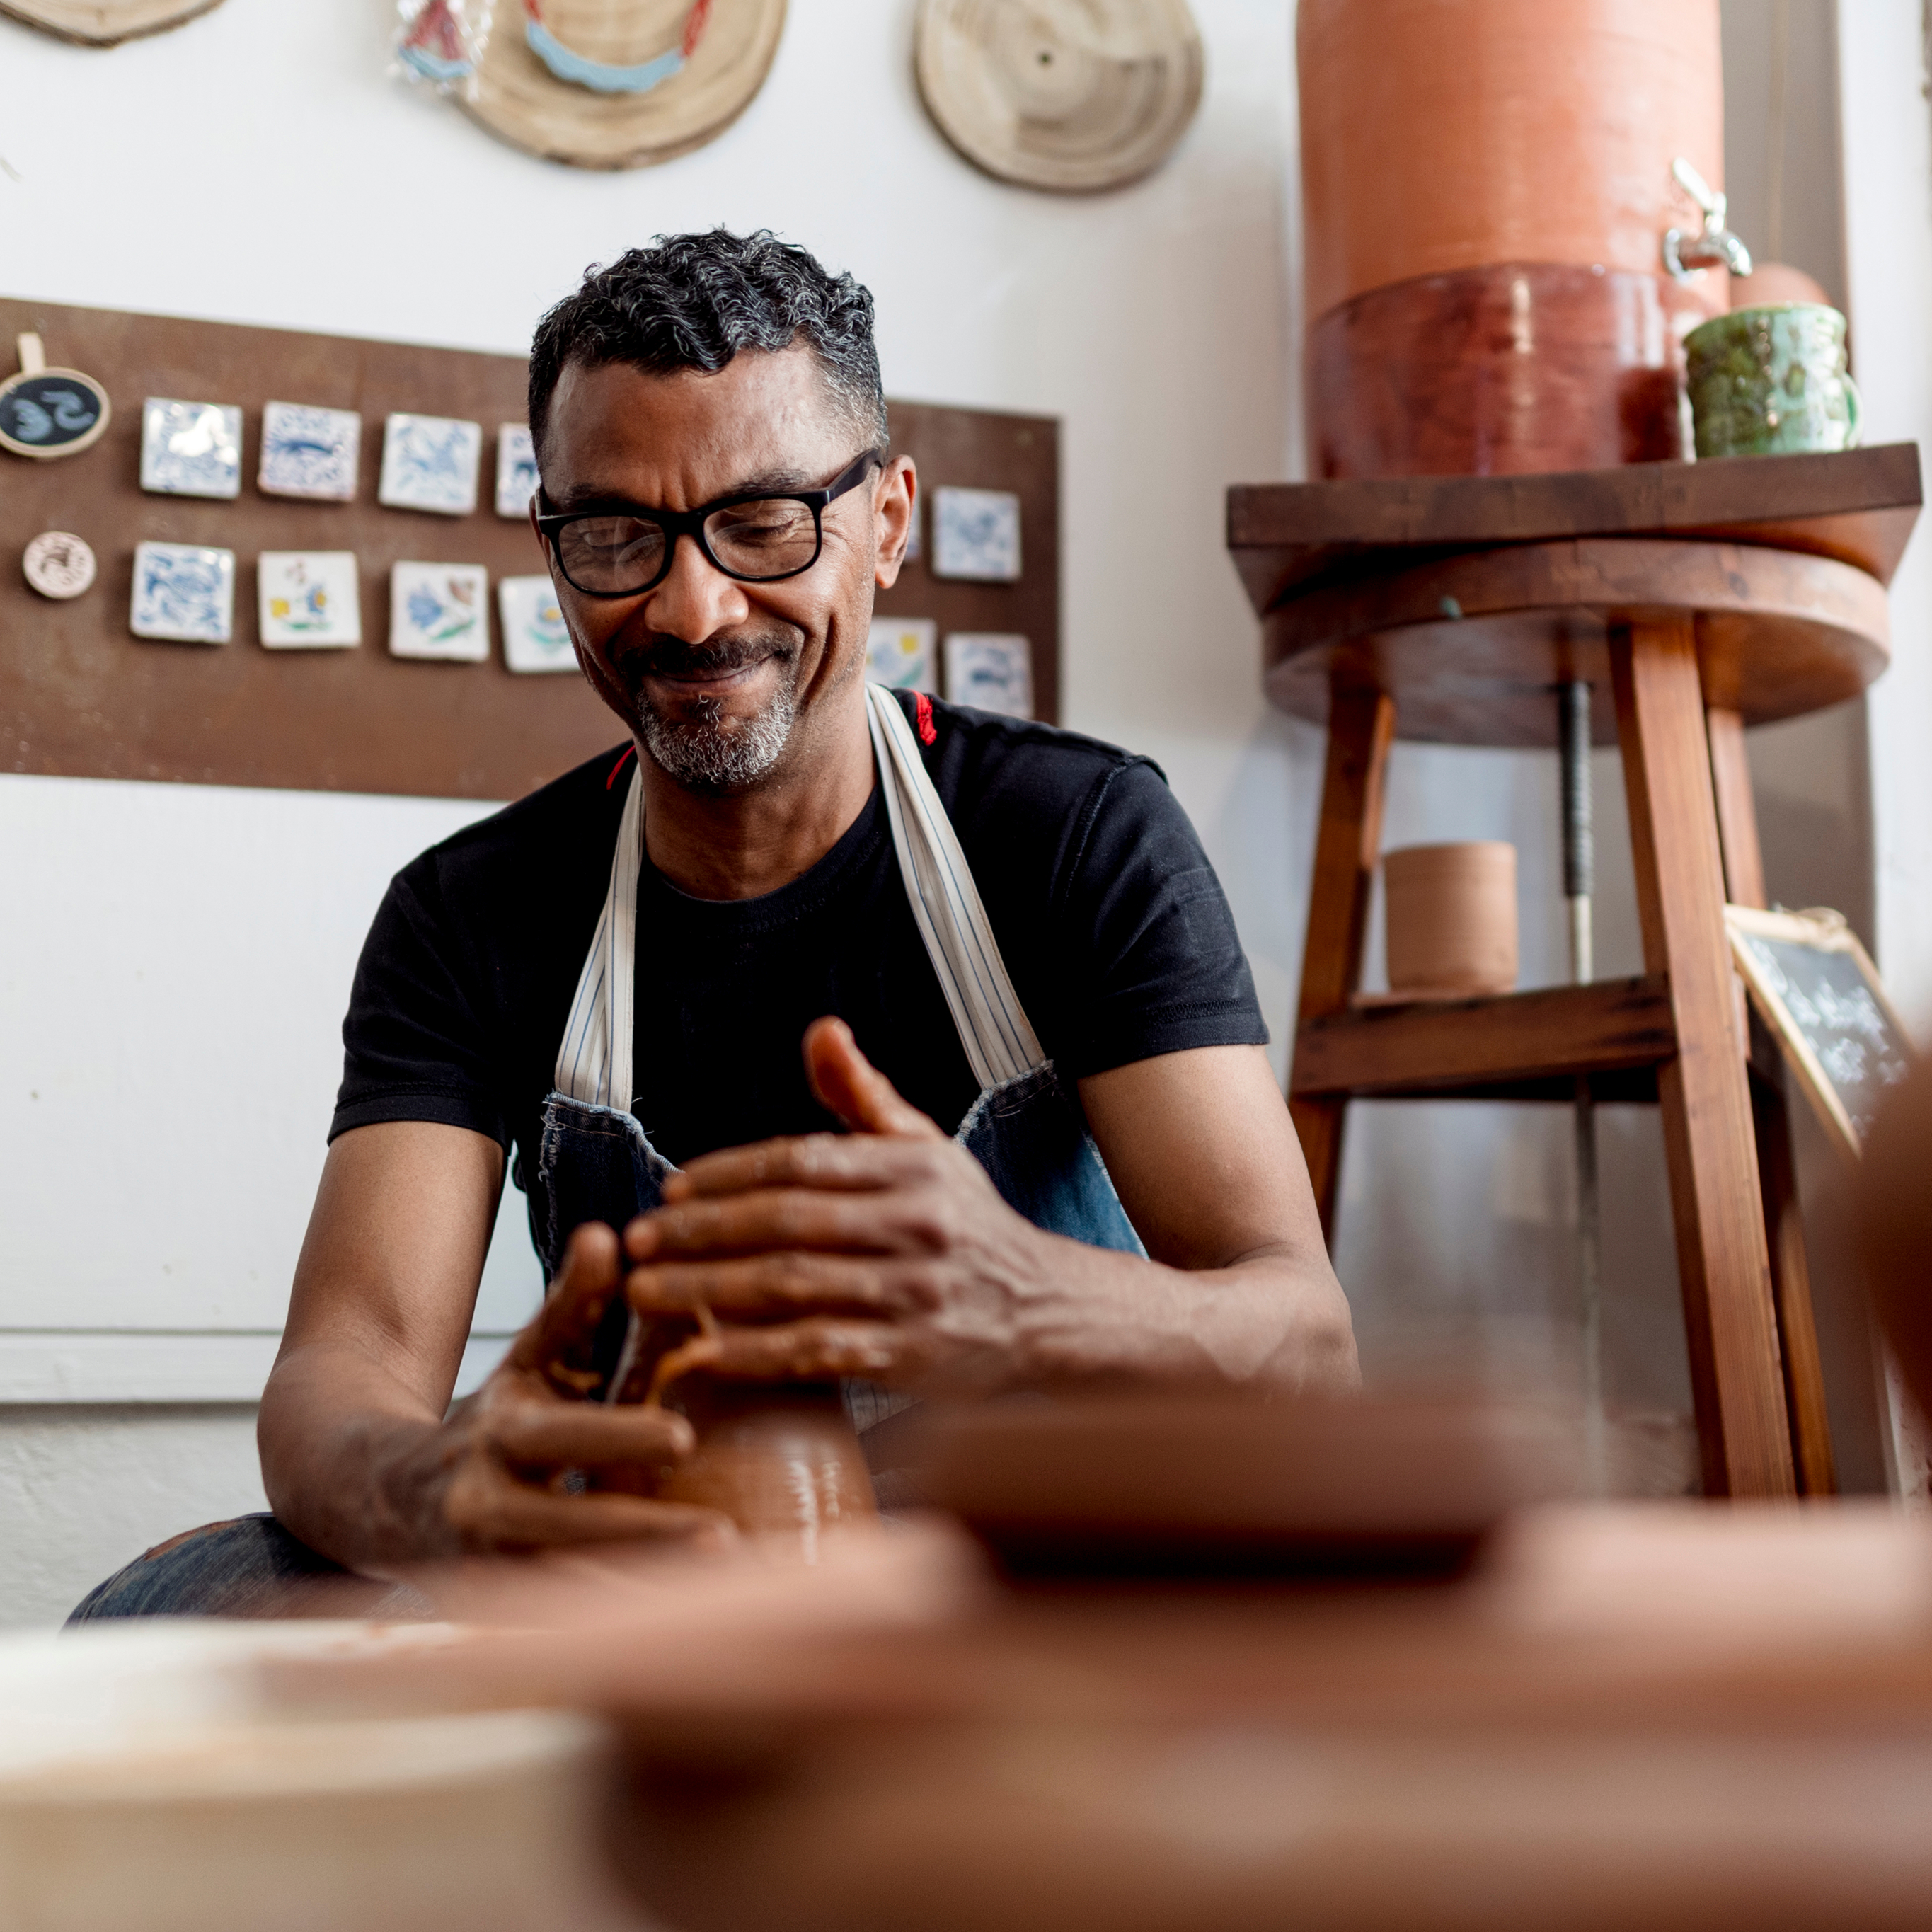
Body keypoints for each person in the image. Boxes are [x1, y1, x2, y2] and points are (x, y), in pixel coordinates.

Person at [71, 229, 1355, 1619]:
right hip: (660, 1582)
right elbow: (346, 1372)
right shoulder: (473, 913)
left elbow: (1303, 1334)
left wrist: (1025, 1293)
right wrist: (426, 1494)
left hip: (1017, 1575)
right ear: (555, 549)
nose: (691, 609)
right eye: (619, 537)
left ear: (890, 521)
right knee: (178, 1610)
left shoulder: (1073, 834)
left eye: (763, 523)